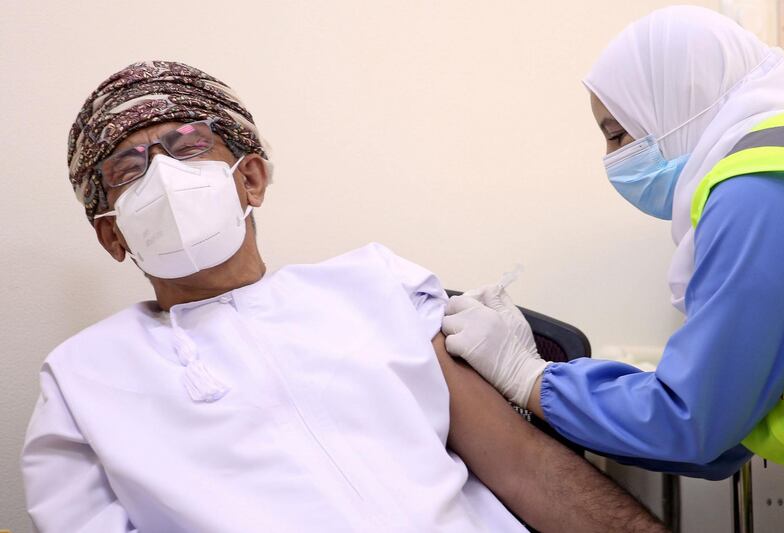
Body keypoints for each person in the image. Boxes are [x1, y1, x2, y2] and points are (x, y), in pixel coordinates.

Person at [21, 61, 664, 533]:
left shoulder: (372, 287)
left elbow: (522, 465)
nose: (163, 175)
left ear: (250, 178)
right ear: (111, 233)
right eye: (128, 172)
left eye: (188, 149)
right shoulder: (83, 381)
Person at [443, 5, 784, 479]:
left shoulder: (754, 189)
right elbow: (727, 429)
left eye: (617, 134)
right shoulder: (778, 165)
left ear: (681, 98)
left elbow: (692, 423)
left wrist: (527, 375)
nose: (614, 160)